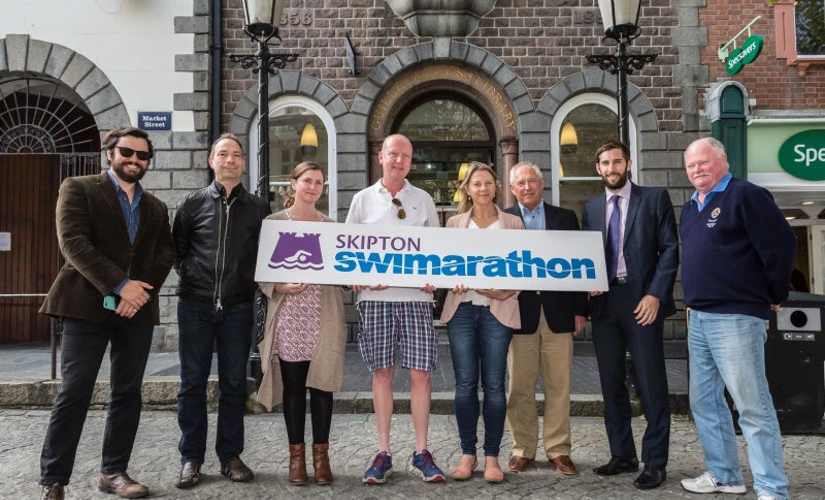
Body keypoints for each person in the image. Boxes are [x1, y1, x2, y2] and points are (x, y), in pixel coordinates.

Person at [38, 127, 175, 500]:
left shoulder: (156, 207)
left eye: (142, 156)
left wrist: (139, 291)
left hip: (136, 312)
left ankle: (113, 472)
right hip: (86, 307)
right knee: (74, 391)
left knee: (128, 393)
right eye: (127, 152)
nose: (135, 160)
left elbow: (165, 253)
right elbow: (73, 243)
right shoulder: (79, 188)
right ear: (109, 152)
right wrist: (120, 285)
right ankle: (54, 478)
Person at [679, 138, 795, 500]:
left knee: (752, 406)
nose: (697, 169)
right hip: (697, 319)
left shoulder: (747, 195)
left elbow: (781, 245)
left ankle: (772, 489)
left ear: (723, 161)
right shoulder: (691, 207)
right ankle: (725, 475)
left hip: (736, 318)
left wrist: (775, 294)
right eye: (691, 165)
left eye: (704, 162)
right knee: (705, 403)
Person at [345, 133, 445, 484]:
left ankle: (422, 451)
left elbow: (437, 251)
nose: (399, 160)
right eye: (393, 154)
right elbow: (348, 254)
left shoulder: (424, 199)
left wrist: (435, 277)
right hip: (375, 301)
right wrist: (357, 278)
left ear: (410, 161)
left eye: (405, 156)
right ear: (380, 157)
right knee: (382, 373)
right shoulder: (361, 200)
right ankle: (384, 452)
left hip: (416, 299)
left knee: (421, 374)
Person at [172, 133, 271, 489]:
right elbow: (178, 251)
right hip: (195, 305)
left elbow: (266, 255)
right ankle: (191, 458)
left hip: (238, 306)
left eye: (237, 155)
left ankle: (230, 456)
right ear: (211, 161)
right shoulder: (191, 204)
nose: (230, 160)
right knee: (192, 384)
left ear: (244, 163)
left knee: (233, 384)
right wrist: (197, 281)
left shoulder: (259, 208)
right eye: (223, 154)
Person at [581, 139, 678, 490]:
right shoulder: (590, 208)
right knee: (611, 384)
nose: (611, 168)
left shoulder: (654, 199)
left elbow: (669, 249)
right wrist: (586, 280)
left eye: (616, 162)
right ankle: (622, 453)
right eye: (605, 163)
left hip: (642, 302)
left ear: (629, 164)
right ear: (598, 168)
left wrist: (655, 294)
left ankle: (655, 462)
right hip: (605, 304)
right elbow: (586, 255)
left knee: (651, 383)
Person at [256, 162, 347, 486]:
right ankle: (297, 458)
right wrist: (277, 286)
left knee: (322, 386)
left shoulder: (332, 227)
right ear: (293, 183)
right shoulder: (274, 223)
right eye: (307, 181)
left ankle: (321, 457)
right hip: (289, 318)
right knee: (293, 389)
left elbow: (345, 272)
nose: (312, 187)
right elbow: (262, 273)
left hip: (324, 317)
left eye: (319, 182)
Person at [440, 162, 523, 483]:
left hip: (497, 312)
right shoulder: (454, 223)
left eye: (488, 183)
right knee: (463, 386)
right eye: (477, 184)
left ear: (496, 187)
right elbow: (442, 265)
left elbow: (524, 267)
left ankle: (491, 457)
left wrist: (504, 290)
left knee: (494, 386)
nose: (483, 189)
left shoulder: (513, 224)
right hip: (461, 311)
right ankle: (467, 454)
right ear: (467, 189)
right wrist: (452, 281)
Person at [503, 161, 587, 476]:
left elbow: (579, 262)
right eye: (520, 183)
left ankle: (558, 450)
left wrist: (580, 308)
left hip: (559, 312)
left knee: (559, 385)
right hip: (517, 313)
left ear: (542, 184)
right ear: (512, 189)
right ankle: (522, 449)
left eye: (532, 182)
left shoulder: (565, 218)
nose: (527, 187)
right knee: (519, 387)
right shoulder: (504, 219)